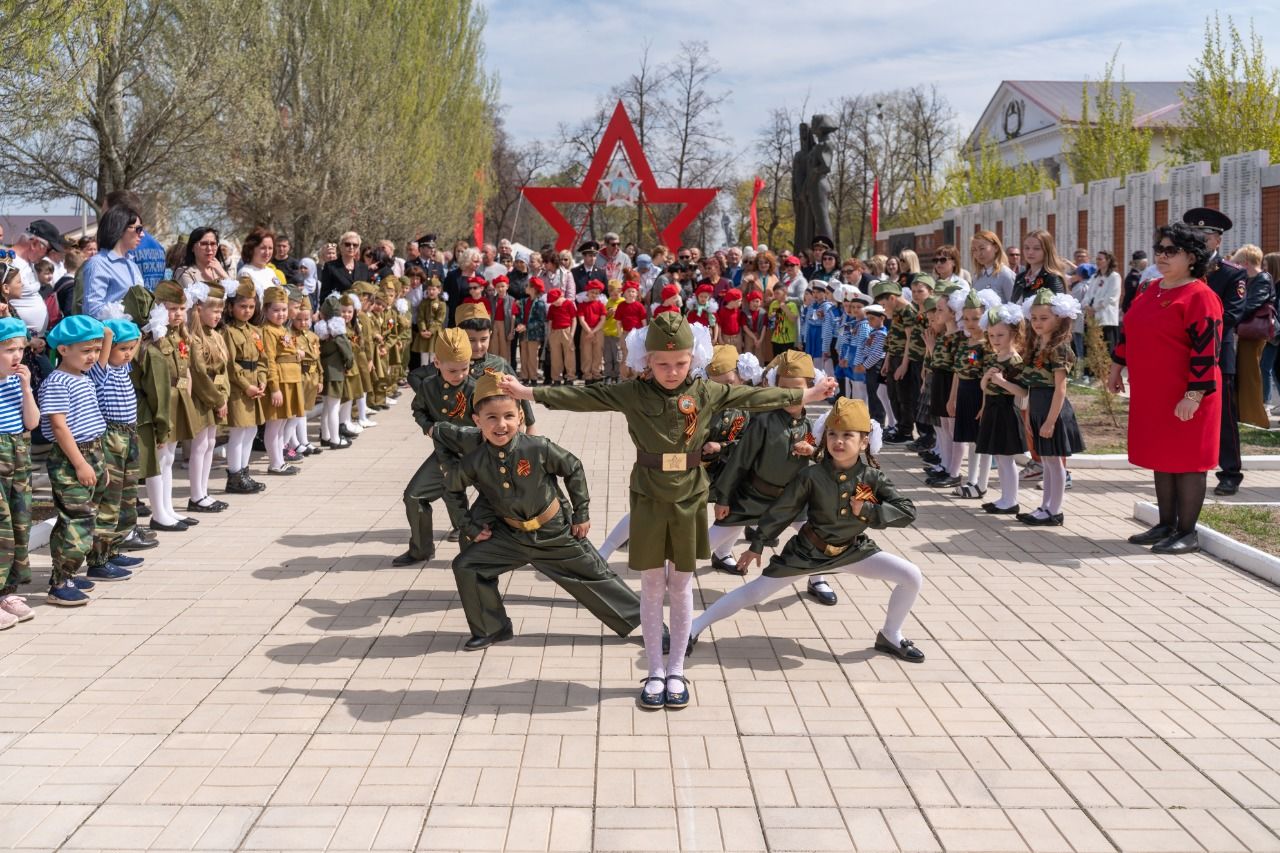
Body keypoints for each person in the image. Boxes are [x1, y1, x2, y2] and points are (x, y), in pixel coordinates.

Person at [499, 313, 836, 709]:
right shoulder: (632, 392)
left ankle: (677, 668)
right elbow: (583, 398)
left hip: (691, 494)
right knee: (652, 584)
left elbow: (757, 397)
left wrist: (806, 397)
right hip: (648, 493)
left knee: (681, 584)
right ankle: (654, 670)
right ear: (646, 360)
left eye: (680, 363)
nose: (672, 371)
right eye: (662, 363)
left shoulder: (707, 390)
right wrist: (528, 393)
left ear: (694, 358)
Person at [690, 398, 925, 663]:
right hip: (807, 554)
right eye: (832, 434)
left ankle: (890, 635)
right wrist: (757, 545)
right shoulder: (811, 476)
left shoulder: (872, 477)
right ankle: (693, 628)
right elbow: (783, 511)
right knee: (754, 593)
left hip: (852, 550)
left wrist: (870, 512)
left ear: (864, 442)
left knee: (911, 575)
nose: (838, 441)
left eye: (848, 435)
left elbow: (907, 511)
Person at [430, 375, 642, 650]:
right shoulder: (475, 461)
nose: (501, 424)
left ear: (520, 417)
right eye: (491, 417)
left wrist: (581, 514)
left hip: (554, 532)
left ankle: (649, 628)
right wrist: (468, 526)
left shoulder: (537, 447)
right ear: (477, 420)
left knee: (597, 576)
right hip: (510, 536)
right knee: (467, 566)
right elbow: (451, 489)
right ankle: (493, 628)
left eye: (508, 415)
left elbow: (573, 467)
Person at [1110, 223, 1222, 555]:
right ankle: (1165, 524)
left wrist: (1193, 395)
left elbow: (1207, 349)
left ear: (1192, 257)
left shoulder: (1200, 296)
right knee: (1163, 457)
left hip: (1187, 395)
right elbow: (1129, 331)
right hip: (1153, 393)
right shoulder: (1151, 289)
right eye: (1159, 249)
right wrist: (1117, 366)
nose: (1162, 255)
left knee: (1187, 461)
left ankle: (1187, 531)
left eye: (1171, 250)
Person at [708, 350, 840, 605]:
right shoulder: (764, 421)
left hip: (792, 500)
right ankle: (673, 571)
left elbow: (823, 459)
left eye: (797, 388)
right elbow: (740, 461)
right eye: (783, 388)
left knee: (817, 535)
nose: (789, 396)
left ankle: (817, 579)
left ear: (810, 389)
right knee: (710, 539)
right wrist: (723, 497)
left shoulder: (808, 424)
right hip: (754, 496)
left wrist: (812, 450)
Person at [39, 315, 110, 605]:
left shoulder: (83, 377)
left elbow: (105, 335)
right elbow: (58, 426)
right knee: (75, 517)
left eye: (95, 350)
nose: (93, 356)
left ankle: (69, 571)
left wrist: (97, 463)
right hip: (71, 454)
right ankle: (59, 582)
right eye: (86, 350)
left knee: (87, 514)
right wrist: (80, 463)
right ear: (64, 350)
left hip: (92, 449)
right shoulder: (58, 381)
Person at [392, 328, 475, 566]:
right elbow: (418, 409)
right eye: (452, 370)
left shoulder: (477, 389)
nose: (459, 375)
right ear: (437, 362)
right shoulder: (429, 386)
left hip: (479, 457)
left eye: (464, 368)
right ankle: (421, 549)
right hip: (444, 455)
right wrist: (428, 427)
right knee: (414, 497)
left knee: (495, 504)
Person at [1182, 208, 1247, 496]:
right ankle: (1187, 466)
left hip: (1218, 355)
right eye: (1193, 234)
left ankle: (1230, 473)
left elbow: (1232, 315)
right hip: (1181, 354)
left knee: (1223, 418)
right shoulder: (1182, 270)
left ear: (1217, 241)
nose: (1197, 239)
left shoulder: (1232, 273)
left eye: (1204, 236)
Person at [1016, 288, 1085, 526]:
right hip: (1037, 405)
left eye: (1044, 318)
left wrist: (1050, 420)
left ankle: (1054, 510)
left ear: (1059, 319)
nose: (1037, 323)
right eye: (1034, 318)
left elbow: (1061, 388)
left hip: (1051, 409)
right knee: (1045, 461)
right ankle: (1044, 506)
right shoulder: (1036, 347)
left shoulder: (1059, 349)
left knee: (1055, 463)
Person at [84, 318, 144, 583]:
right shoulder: (102, 371)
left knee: (126, 497)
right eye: (123, 348)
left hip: (129, 434)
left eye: (131, 348)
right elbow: (109, 341)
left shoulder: (124, 368)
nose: (128, 353)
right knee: (109, 499)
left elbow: (137, 339)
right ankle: (98, 559)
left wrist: (133, 334)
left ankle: (114, 549)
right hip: (110, 437)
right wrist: (107, 332)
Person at [0, 317, 39, 625]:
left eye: (20, 350)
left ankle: (7, 590)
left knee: (18, 523)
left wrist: (26, 388)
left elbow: (32, 422)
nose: (17, 356)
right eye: (9, 349)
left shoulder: (16, 382)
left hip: (19, 456)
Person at [184, 281, 231, 510]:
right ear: (199, 309)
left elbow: (223, 371)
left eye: (220, 311)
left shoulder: (215, 335)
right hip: (202, 398)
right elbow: (200, 374)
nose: (218, 315)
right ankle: (196, 495)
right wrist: (218, 399)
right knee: (200, 445)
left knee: (211, 442)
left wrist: (224, 395)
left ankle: (204, 491)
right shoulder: (194, 338)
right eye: (214, 310)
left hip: (215, 396)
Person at [978, 303, 1029, 514]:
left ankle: (1011, 500)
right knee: (999, 458)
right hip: (992, 409)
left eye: (1000, 334)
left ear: (1013, 333)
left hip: (1006, 411)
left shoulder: (1015, 360)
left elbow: (1022, 391)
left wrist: (1000, 382)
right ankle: (1004, 497)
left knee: (1007, 459)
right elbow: (984, 387)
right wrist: (987, 379)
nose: (995, 339)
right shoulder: (992, 358)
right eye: (991, 335)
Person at [949, 288, 999, 498]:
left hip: (980, 393)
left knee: (982, 440)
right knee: (970, 439)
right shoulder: (964, 342)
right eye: (967, 318)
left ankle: (982, 483)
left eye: (976, 318)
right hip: (964, 392)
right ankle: (971, 480)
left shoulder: (988, 345)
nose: (971, 323)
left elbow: (988, 377)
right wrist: (952, 397)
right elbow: (957, 373)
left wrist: (985, 403)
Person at [222, 280, 269, 494]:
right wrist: (246, 385)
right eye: (242, 306)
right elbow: (230, 365)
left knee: (251, 430)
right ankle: (234, 476)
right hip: (238, 388)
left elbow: (262, 359)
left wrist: (262, 379)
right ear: (231, 307)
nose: (247, 311)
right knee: (238, 432)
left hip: (254, 385)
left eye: (251, 306)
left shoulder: (255, 331)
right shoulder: (228, 332)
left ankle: (244, 472)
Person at [259, 286, 304, 476]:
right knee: (274, 425)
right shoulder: (268, 331)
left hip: (291, 379)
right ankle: (275, 463)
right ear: (266, 310)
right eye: (276, 310)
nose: (281, 314)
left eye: (284, 309)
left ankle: (280, 460)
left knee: (282, 424)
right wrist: (274, 387)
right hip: (281, 381)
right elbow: (269, 360)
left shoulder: (281, 329)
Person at [1230, 244, 1273, 429]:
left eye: (1238, 264)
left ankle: (1255, 419)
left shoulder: (1262, 278)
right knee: (1246, 372)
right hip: (1248, 332)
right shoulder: (1254, 279)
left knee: (1250, 374)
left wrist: (1232, 316)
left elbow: (1252, 304)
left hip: (1254, 334)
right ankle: (1245, 416)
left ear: (1245, 263)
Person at [81, 207, 144, 321]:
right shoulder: (98, 264)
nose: (142, 234)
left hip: (133, 335)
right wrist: (125, 313)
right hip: (112, 337)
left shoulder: (132, 263)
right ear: (120, 228)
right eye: (138, 229)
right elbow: (92, 311)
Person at [1010, 230, 1066, 303]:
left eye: (1037, 248)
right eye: (1027, 248)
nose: (1030, 252)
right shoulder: (1020, 277)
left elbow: (1057, 310)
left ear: (1047, 251)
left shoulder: (1052, 278)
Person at [1084, 251, 1122, 356]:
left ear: (1108, 260)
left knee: (1106, 349)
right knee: (1092, 349)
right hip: (1092, 318)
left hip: (1106, 318)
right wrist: (1087, 306)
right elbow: (1088, 294)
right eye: (1097, 259)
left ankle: (1107, 372)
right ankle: (1092, 372)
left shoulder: (1114, 277)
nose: (1097, 261)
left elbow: (1111, 297)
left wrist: (1094, 309)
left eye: (1100, 259)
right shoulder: (1094, 277)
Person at [319, 232, 371, 303]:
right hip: (338, 310)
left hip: (360, 311)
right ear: (341, 246)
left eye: (355, 245)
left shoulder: (364, 268)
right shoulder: (330, 267)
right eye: (347, 244)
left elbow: (368, 293)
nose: (351, 247)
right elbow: (324, 295)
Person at [516, 277, 547, 384]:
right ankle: (525, 377)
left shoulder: (540, 303)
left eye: (528, 286)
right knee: (523, 355)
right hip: (523, 333)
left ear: (534, 289)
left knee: (532, 357)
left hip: (534, 335)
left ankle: (533, 378)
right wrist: (519, 323)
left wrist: (526, 326)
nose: (526, 287)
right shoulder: (523, 301)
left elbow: (540, 321)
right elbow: (520, 316)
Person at [970, 231, 1016, 302]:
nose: (978, 253)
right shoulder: (976, 276)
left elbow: (1016, 307)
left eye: (982, 248)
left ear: (996, 248)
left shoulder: (1005, 275)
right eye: (974, 250)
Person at [545, 288, 576, 385]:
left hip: (567, 330)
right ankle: (556, 378)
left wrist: (572, 333)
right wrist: (550, 334)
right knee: (555, 356)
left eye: (555, 301)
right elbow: (550, 321)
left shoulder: (569, 304)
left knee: (569, 355)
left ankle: (570, 377)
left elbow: (574, 319)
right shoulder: (552, 308)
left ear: (560, 297)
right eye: (552, 302)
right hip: (555, 332)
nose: (554, 303)